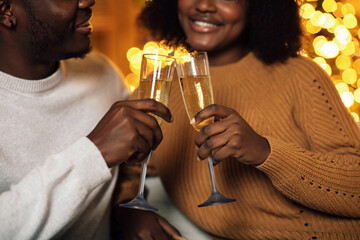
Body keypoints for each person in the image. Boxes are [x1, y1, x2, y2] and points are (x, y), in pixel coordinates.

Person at [112, 0, 360, 239]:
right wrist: (130, 211)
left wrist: (265, 152)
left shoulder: (300, 75)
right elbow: (130, 170)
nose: (204, 5)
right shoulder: (159, 87)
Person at [0, 0, 179, 239]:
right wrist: (96, 153)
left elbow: (127, 172)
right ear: (6, 11)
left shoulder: (103, 73)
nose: (88, 1)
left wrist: (126, 209)